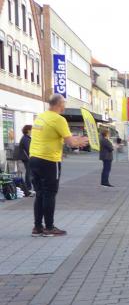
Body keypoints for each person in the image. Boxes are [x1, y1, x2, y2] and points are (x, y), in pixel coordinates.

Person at [29, 94, 89, 236]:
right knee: (49, 194)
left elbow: (54, 136)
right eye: (64, 103)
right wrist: (80, 141)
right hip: (49, 160)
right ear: (59, 104)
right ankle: (49, 228)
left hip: (34, 158)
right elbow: (71, 143)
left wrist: (74, 139)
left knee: (40, 193)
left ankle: (37, 227)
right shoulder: (58, 119)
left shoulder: (41, 117)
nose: (65, 106)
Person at [15, 125, 32, 196]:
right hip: (27, 157)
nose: (32, 131)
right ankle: (28, 187)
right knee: (29, 172)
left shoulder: (26, 138)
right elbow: (29, 149)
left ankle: (29, 187)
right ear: (28, 130)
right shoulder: (25, 138)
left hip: (26, 157)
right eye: (31, 130)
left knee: (29, 172)